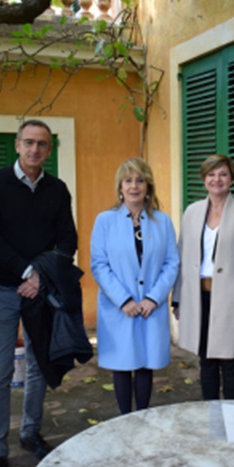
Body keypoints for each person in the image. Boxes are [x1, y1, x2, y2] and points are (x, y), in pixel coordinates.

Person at [0, 119, 78, 467]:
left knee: (38, 363)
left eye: (43, 144)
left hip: (41, 291)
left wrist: (40, 276)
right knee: (0, 372)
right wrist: (27, 272)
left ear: (49, 150)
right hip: (3, 290)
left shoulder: (58, 189)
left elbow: (68, 241)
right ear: (17, 145)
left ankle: (30, 432)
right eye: (29, 142)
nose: (35, 149)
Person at [90, 158, 180, 414]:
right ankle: (124, 418)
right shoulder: (105, 221)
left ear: (148, 186)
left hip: (151, 305)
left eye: (140, 180)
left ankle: (142, 415)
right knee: (122, 363)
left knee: (144, 364)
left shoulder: (162, 221)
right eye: (128, 180)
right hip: (119, 307)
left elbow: (172, 263)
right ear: (120, 187)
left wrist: (153, 298)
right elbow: (99, 265)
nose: (134, 186)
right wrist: (124, 300)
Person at [172, 154, 234, 400]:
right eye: (211, 174)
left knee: (230, 361)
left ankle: (233, 415)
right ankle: (209, 412)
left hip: (232, 297)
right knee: (206, 360)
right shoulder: (192, 212)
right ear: (204, 179)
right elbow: (182, 258)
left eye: (223, 174)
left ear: (231, 178)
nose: (217, 179)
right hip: (198, 296)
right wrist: (177, 298)